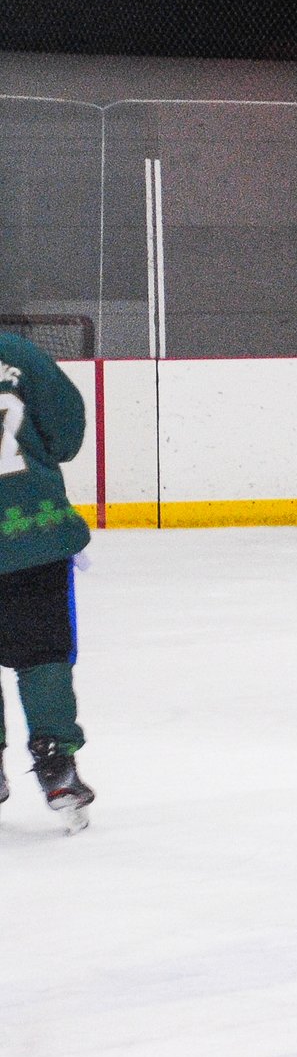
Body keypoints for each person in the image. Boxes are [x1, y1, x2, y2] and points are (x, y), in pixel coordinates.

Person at [0, 328, 98, 830]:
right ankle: (57, 763)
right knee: (42, 653)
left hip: (32, 538)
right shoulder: (15, 352)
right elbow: (65, 434)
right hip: (32, 532)